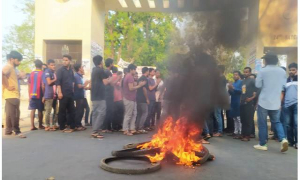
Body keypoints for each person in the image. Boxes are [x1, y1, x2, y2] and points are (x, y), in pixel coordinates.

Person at [254, 52, 288, 152]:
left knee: (262, 123)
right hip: (276, 101)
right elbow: (283, 85)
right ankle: (283, 139)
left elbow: (258, 85)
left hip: (264, 101)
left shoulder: (263, 71)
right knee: (277, 122)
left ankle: (263, 144)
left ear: (266, 60)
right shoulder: (282, 71)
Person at [2, 51, 26, 138]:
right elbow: (2, 74)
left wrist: (19, 77)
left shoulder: (12, 68)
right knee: (15, 113)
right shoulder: (8, 67)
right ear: (12, 59)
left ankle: (8, 130)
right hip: (12, 94)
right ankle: (17, 131)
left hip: (11, 94)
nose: (19, 62)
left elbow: (10, 78)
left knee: (9, 113)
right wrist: (7, 86)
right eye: (18, 60)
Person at [122, 64, 146, 136]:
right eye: (134, 69)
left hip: (132, 98)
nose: (135, 71)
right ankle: (125, 129)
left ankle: (132, 128)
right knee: (128, 115)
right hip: (129, 98)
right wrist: (140, 85)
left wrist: (138, 85)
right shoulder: (129, 77)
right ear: (131, 70)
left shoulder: (130, 76)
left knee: (134, 114)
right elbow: (131, 88)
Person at [90, 55, 109, 138]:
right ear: (101, 62)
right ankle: (95, 131)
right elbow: (105, 82)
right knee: (101, 113)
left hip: (94, 95)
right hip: (100, 95)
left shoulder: (94, 70)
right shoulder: (100, 71)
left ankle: (95, 129)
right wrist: (111, 80)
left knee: (95, 113)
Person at [56, 55, 76, 133]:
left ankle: (72, 126)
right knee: (62, 111)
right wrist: (60, 92)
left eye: (66, 60)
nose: (64, 61)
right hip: (63, 93)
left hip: (70, 93)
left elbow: (72, 81)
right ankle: (62, 127)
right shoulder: (60, 70)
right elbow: (58, 83)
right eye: (63, 60)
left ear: (70, 61)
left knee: (72, 110)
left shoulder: (71, 70)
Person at [282, 62, 298, 149]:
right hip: (287, 105)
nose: (291, 71)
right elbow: (283, 93)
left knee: (296, 124)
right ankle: (291, 141)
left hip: (297, 104)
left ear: (297, 70)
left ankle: (297, 142)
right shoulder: (286, 81)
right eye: (290, 70)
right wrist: (282, 103)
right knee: (288, 124)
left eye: (293, 70)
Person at [102, 58, 119, 132]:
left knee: (107, 110)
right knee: (109, 110)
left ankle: (106, 127)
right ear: (110, 64)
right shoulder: (108, 72)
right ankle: (107, 127)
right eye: (112, 63)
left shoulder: (105, 72)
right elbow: (111, 83)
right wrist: (118, 79)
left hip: (107, 93)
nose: (113, 65)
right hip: (108, 94)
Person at [240, 67, 257, 141]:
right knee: (243, 119)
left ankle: (247, 135)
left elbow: (258, 89)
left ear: (250, 73)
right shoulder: (243, 81)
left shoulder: (252, 80)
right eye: (244, 72)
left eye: (247, 72)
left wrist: (253, 97)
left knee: (248, 120)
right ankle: (243, 134)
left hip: (249, 102)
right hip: (242, 102)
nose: (245, 73)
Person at [28, 60, 45, 131]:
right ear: (41, 65)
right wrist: (44, 95)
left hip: (32, 94)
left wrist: (29, 95)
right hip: (39, 94)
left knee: (32, 110)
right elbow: (43, 85)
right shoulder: (42, 73)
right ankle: (40, 125)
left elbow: (28, 85)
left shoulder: (31, 74)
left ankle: (32, 126)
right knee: (40, 110)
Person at [42, 59, 58, 131]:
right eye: (52, 65)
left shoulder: (53, 72)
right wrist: (55, 79)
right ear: (48, 65)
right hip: (49, 95)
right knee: (48, 111)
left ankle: (54, 124)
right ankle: (47, 125)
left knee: (56, 110)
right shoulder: (47, 72)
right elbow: (48, 82)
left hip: (55, 94)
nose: (53, 66)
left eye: (54, 65)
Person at [73, 63, 90, 131]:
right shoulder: (76, 76)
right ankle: (77, 125)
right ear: (79, 68)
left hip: (82, 95)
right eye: (82, 68)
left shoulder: (80, 76)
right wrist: (85, 84)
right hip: (78, 96)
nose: (83, 69)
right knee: (79, 110)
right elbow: (79, 86)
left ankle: (79, 124)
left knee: (82, 110)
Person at [214, 65, 227, 137]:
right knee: (218, 114)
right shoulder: (221, 78)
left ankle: (220, 131)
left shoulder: (222, 78)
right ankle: (219, 130)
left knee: (218, 115)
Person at [228, 71, 242, 139]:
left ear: (239, 76)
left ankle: (240, 132)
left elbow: (241, 91)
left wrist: (233, 88)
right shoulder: (233, 83)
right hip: (233, 101)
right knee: (234, 118)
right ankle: (235, 131)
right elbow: (230, 93)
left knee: (239, 118)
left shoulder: (241, 82)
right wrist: (230, 88)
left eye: (236, 75)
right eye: (234, 75)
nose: (235, 76)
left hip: (238, 101)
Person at [136, 67, 150, 133]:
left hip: (138, 99)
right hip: (143, 99)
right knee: (145, 113)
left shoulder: (139, 79)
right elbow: (144, 89)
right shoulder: (145, 79)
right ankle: (140, 127)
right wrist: (147, 99)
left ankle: (137, 127)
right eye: (148, 71)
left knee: (139, 113)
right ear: (146, 71)